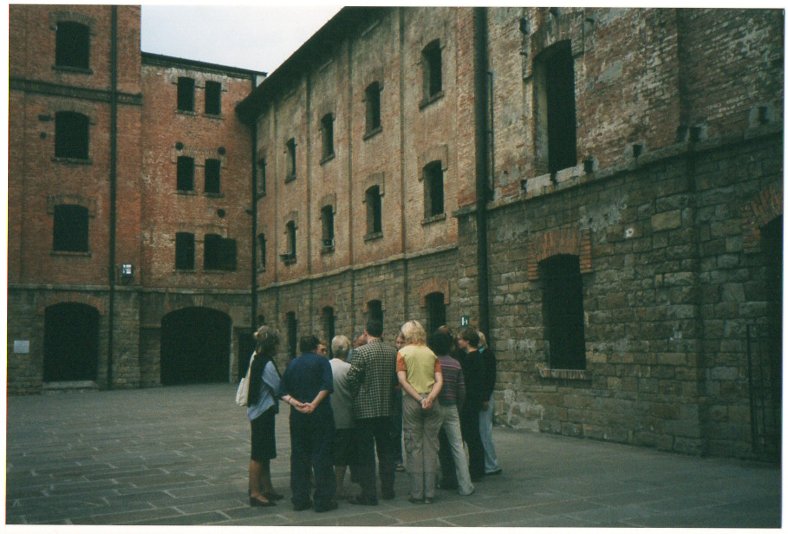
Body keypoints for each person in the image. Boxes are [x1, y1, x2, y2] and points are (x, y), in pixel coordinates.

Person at [279, 335, 337, 512]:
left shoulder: (292, 364)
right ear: (315, 346)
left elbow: (282, 391)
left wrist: (296, 403)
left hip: (298, 417)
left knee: (299, 456)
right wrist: (313, 404)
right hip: (320, 415)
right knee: (322, 455)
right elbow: (327, 386)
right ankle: (323, 500)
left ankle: (300, 498)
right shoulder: (322, 362)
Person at [345, 319, 398, 505]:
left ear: (366, 332)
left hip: (364, 410)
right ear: (382, 333)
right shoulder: (392, 351)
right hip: (386, 408)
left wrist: (355, 395)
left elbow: (352, 378)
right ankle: (388, 489)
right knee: (386, 451)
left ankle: (369, 493)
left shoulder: (361, 352)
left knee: (366, 453)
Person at [397, 320, 443, 504]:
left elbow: (402, 380)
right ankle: (430, 493)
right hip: (432, 400)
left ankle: (417, 493)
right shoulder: (431, 353)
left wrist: (419, 398)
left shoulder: (402, 353)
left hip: (412, 401)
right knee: (431, 446)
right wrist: (430, 397)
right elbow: (439, 380)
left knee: (414, 446)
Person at [430, 329, 474, 496]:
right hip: (452, 407)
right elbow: (462, 390)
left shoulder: (432, 363)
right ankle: (466, 485)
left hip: (435, 406)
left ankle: (431, 483)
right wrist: (458, 406)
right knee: (458, 447)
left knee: (432, 446)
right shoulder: (455, 364)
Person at [246, 325, 284, 507]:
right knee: (259, 453)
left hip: (259, 411)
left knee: (265, 452)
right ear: (271, 344)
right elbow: (278, 387)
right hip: (262, 412)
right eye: (277, 343)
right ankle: (255, 492)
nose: (278, 347)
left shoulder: (257, 358)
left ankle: (267, 488)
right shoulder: (266, 363)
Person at [456, 327, 487, 481]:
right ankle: (478, 467)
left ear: (467, 341)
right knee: (474, 435)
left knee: (471, 436)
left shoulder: (470, 359)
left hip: (469, 401)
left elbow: (466, 382)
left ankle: (475, 469)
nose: (458, 341)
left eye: (460, 339)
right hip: (475, 400)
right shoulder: (477, 357)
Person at [328, 335, 355, 499]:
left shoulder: (325, 366)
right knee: (341, 455)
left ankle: (327, 483)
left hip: (328, 417)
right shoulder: (349, 369)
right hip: (346, 417)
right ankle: (339, 486)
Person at [478, 331, 502, 476]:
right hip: (484, 396)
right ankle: (488, 462)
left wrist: (486, 397)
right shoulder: (484, 354)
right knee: (484, 430)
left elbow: (489, 378)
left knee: (485, 430)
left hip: (485, 397)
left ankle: (491, 463)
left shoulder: (487, 355)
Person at [392, 332, 406, 473]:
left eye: (401, 342)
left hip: (409, 394)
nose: (399, 345)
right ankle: (397, 459)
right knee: (396, 428)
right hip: (396, 395)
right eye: (397, 342)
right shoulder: (394, 357)